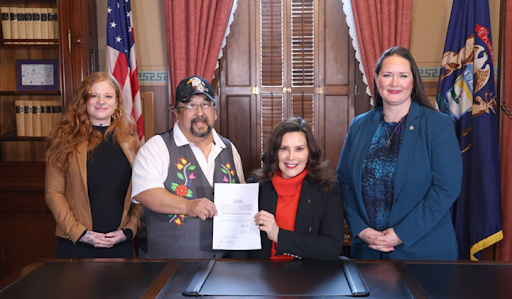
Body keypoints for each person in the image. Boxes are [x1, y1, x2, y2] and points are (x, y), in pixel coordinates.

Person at [337, 46, 462, 260]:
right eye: (387, 75)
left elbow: (446, 188)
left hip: (423, 253)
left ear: (413, 81)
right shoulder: (359, 125)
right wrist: (360, 230)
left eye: (403, 76)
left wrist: (400, 234)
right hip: (368, 250)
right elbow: (344, 183)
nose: (395, 83)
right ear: (377, 80)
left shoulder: (437, 125)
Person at [131, 76, 244, 258]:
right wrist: (187, 206)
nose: (200, 112)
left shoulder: (229, 149)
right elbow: (144, 192)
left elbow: (241, 197)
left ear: (214, 111)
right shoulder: (156, 147)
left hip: (224, 268)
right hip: (166, 268)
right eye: (190, 105)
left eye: (206, 104)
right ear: (176, 112)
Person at [45, 72, 142, 258]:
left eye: (108, 96)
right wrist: (80, 233)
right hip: (76, 245)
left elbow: (142, 192)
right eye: (94, 95)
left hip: (120, 245)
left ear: (116, 103)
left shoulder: (131, 142)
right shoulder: (63, 140)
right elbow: (53, 193)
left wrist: (129, 230)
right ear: (84, 100)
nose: (101, 101)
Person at [245, 117, 344, 260]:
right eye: (284, 149)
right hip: (262, 276)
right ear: (275, 152)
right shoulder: (256, 186)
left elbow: (332, 247)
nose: (291, 157)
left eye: (299, 149)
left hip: (309, 276)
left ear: (309, 152)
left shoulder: (328, 189)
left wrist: (279, 235)